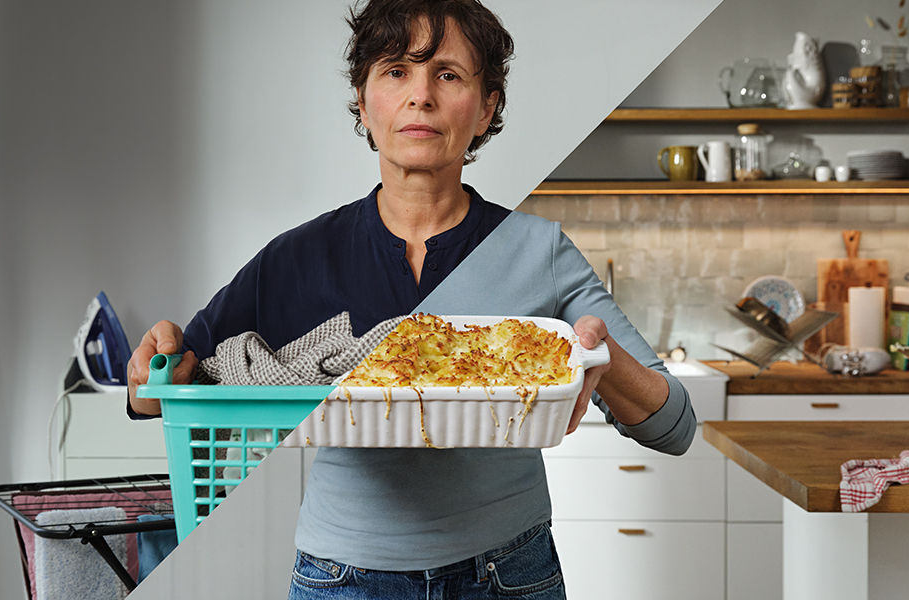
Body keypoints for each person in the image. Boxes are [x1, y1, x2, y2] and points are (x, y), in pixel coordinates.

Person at [127, 1, 695, 597]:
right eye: (396, 71)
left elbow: (674, 427)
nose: (420, 94)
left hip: (508, 575)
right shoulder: (299, 257)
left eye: (448, 74)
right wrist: (155, 363)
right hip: (340, 581)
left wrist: (599, 360)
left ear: (486, 108)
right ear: (365, 101)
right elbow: (165, 391)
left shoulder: (537, 250)